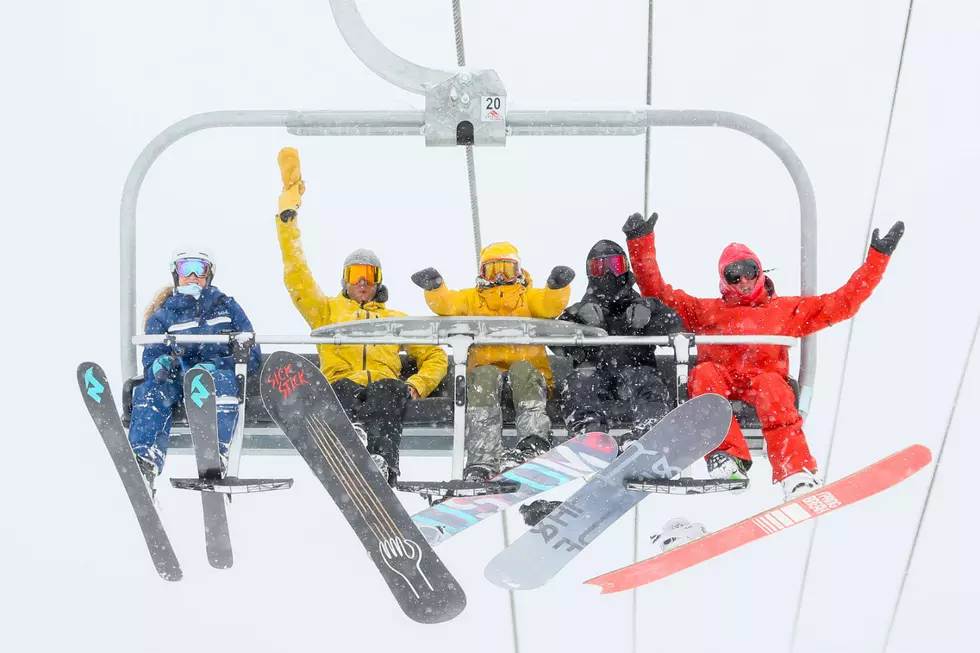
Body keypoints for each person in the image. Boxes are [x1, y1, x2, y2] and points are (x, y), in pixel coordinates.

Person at [622, 211, 905, 500]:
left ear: (760, 272)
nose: (743, 280)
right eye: (734, 274)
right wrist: (640, 242)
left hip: (762, 379)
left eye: (750, 271)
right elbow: (658, 293)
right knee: (703, 375)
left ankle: (794, 471)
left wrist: (878, 258)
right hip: (722, 377)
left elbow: (844, 302)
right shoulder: (706, 311)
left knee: (773, 388)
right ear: (724, 280)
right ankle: (727, 459)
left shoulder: (785, 311)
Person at [275, 147, 448, 486]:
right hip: (341, 382)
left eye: (369, 274)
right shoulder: (327, 312)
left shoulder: (395, 319)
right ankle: (348, 440)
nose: (363, 281)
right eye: (355, 274)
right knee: (339, 390)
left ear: (379, 280)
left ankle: (382, 461)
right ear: (345, 279)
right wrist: (288, 216)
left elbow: (434, 355)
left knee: (387, 390)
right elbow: (296, 273)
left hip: (385, 386)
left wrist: (416, 385)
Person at [410, 243, 575, 480]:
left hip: (527, 376)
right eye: (492, 270)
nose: (499, 277)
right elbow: (449, 304)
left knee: (522, 370)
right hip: (488, 377)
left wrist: (557, 287)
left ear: (518, 271)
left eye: (506, 269)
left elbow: (548, 304)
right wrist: (436, 288)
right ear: (482, 273)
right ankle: (482, 460)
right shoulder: (472, 299)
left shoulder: (527, 297)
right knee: (483, 376)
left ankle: (534, 443)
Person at [132, 250, 262, 489]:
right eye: (185, 269)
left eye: (199, 269)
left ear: (209, 274)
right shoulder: (163, 315)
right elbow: (151, 359)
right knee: (152, 390)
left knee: (217, 381)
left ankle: (215, 452)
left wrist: (218, 364)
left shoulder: (226, 308)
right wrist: (159, 366)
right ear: (176, 274)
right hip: (178, 378)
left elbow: (252, 354)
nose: (192, 276)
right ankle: (144, 459)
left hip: (214, 377)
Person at [557, 239, 686, 446]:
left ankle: (647, 436)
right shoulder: (580, 310)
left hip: (634, 372)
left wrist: (650, 308)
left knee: (647, 381)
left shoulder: (641, 307)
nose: (608, 274)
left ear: (625, 269)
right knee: (580, 381)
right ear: (590, 274)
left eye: (615, 265)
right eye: (599, 267)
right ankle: (590, 437)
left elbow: (675, 324)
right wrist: (577, 322)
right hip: (595, 377)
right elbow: (556, 341)